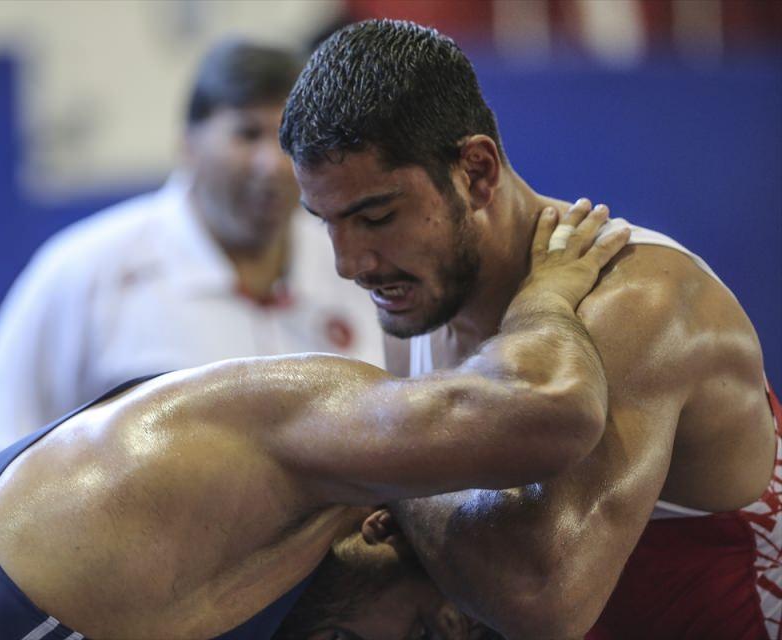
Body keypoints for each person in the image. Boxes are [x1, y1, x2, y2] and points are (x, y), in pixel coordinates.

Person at [0, 206, 630, 640]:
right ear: (382, 530)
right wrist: (550, 294)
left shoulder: (258, 559)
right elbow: (552, 408)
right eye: (419, 633)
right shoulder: (267, 431)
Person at [279, 19, 780, 640]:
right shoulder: (417, 300)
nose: (349, 265)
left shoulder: (640, 304)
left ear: (477, 172)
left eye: (376, 216)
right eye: (325, 223)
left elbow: (542, 595)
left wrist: (378, 458)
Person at [0, 40, 383, 468]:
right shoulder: (88, 267)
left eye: (288, 138)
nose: (271, 164)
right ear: (187, 144)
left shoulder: (354, 263)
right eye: (247, 134)